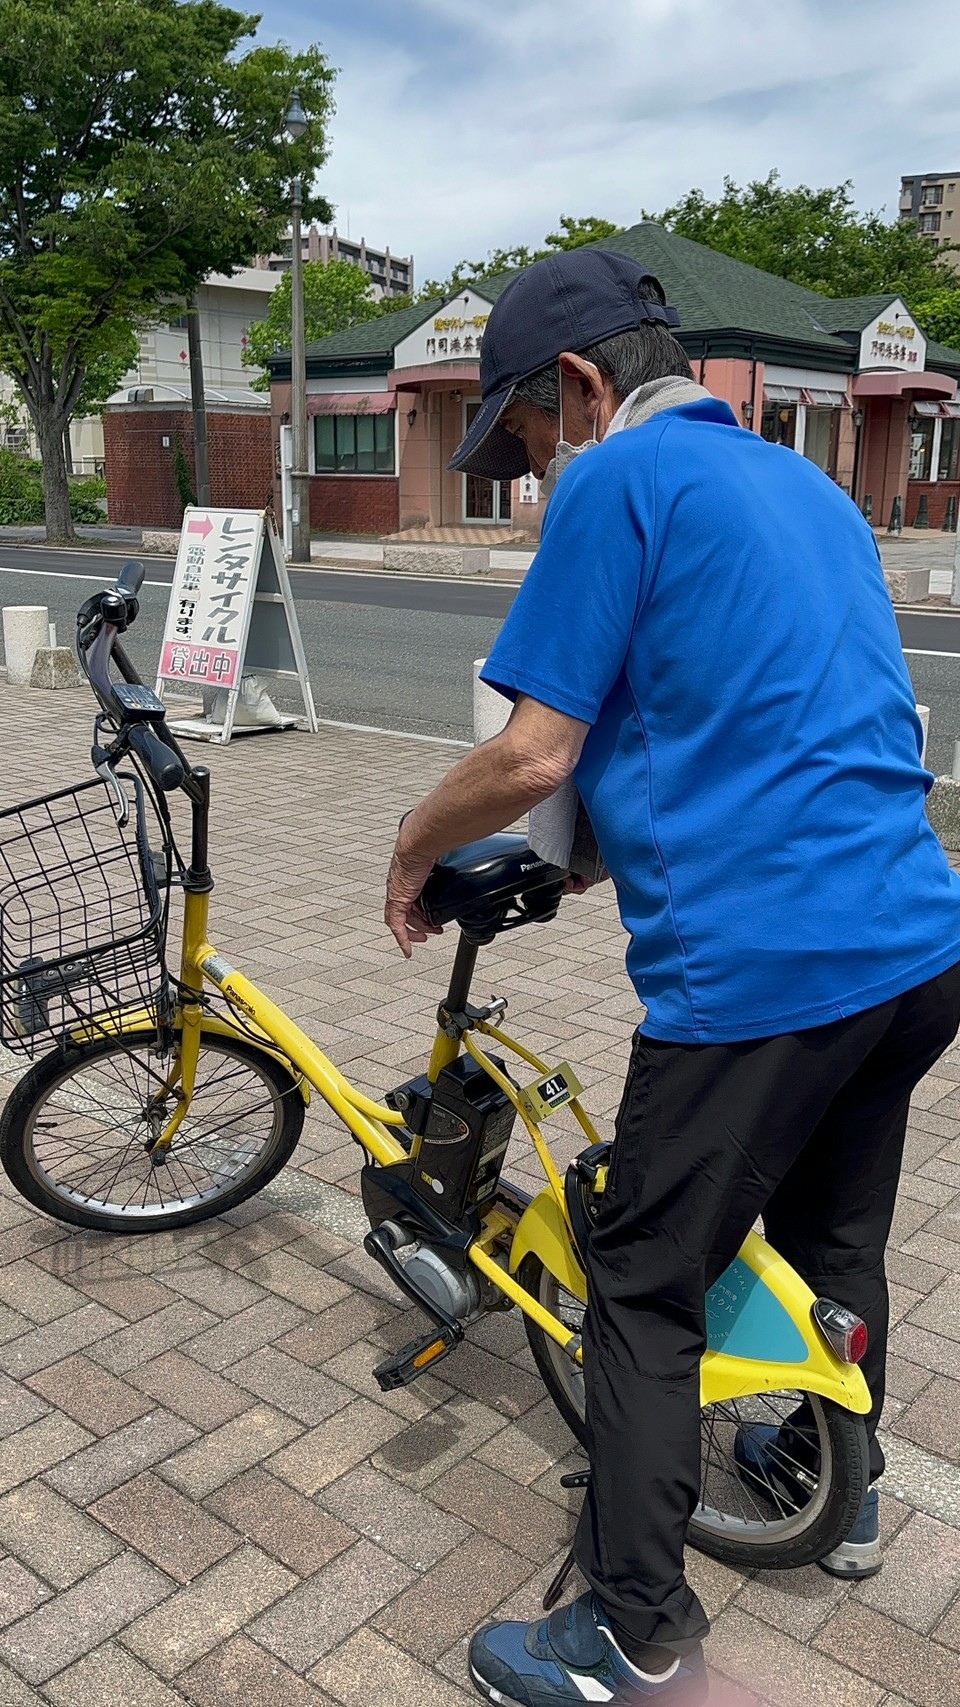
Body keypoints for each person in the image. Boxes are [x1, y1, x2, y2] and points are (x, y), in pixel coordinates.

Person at [383, 248, 960, 1707]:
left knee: (644, 1287)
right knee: (838, 1230)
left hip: (761, 970)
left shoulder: (611, 483)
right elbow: (752, 710)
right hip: (916, 941)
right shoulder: (811, 491)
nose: (525, 473)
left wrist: (408, 845)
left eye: (518, 436)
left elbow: (532, 752)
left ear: (577, 388)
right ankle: (841, 1478)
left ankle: (633, 1640)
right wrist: (589, 864)